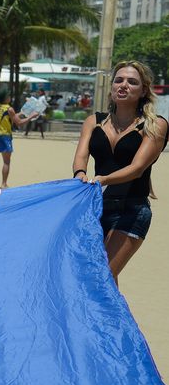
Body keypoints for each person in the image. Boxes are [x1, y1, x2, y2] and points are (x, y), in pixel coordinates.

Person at [72, 61, 168, 280]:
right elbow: (81, 156)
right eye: (119, 80)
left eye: (132, 82)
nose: (123, 85)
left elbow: (136, 169)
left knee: (102, 276)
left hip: (131, 209)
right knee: (97, 278)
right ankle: (113, 316)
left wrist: (102, 179)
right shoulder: (93, 121)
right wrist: (80, 174)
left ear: (143, 90)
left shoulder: (155, 125)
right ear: (112, 86)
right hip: (96, 207)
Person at [0, 89, 32, 189]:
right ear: (5, 98)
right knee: (6, 162)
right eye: (8, 96)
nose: (10, 97)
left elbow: (9, 117)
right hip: (5, 137)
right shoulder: (9, 109)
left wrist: (18, 114)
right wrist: (31, 116)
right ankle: (3, 183)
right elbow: (19, 123)